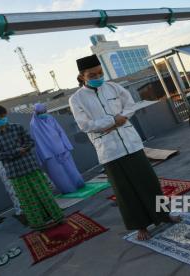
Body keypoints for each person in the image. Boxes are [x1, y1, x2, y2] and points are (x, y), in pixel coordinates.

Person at [69, 54, 180, 240]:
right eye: (92, 75)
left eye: (100, 73)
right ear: (82, 77)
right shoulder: (77, 99)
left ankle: (164, 215)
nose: (98, 78)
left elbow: (130, 106)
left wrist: (121, 118)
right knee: (125, 191)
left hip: (132, 144)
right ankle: (141, 226)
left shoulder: (113, 87)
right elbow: (86, 125)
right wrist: (113, 120)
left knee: (149, 182)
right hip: (109, 151)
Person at [0, 105, 63, 230]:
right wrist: (17, 152)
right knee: (28, 201)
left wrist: (24, 149)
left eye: (3, 116)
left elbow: (31, 142)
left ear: (6, 114)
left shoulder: (17, 127)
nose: (2, 119)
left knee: (44, 194)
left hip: (31, 167)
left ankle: (57, 217)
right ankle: (39, 225)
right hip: (15, 173)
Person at [30, 103, 85, 194]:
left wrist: (65, 145)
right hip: (49, 154)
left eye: (44, 111)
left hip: (61, 148)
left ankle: (79, 184)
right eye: (40, 112)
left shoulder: (50, 118)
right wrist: (47, 154)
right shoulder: (34, 124)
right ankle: (67, 189)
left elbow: (60, 132)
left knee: (70, 167)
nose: (43, 114)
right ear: (36, 113)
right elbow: (38, 142)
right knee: (59, 173)